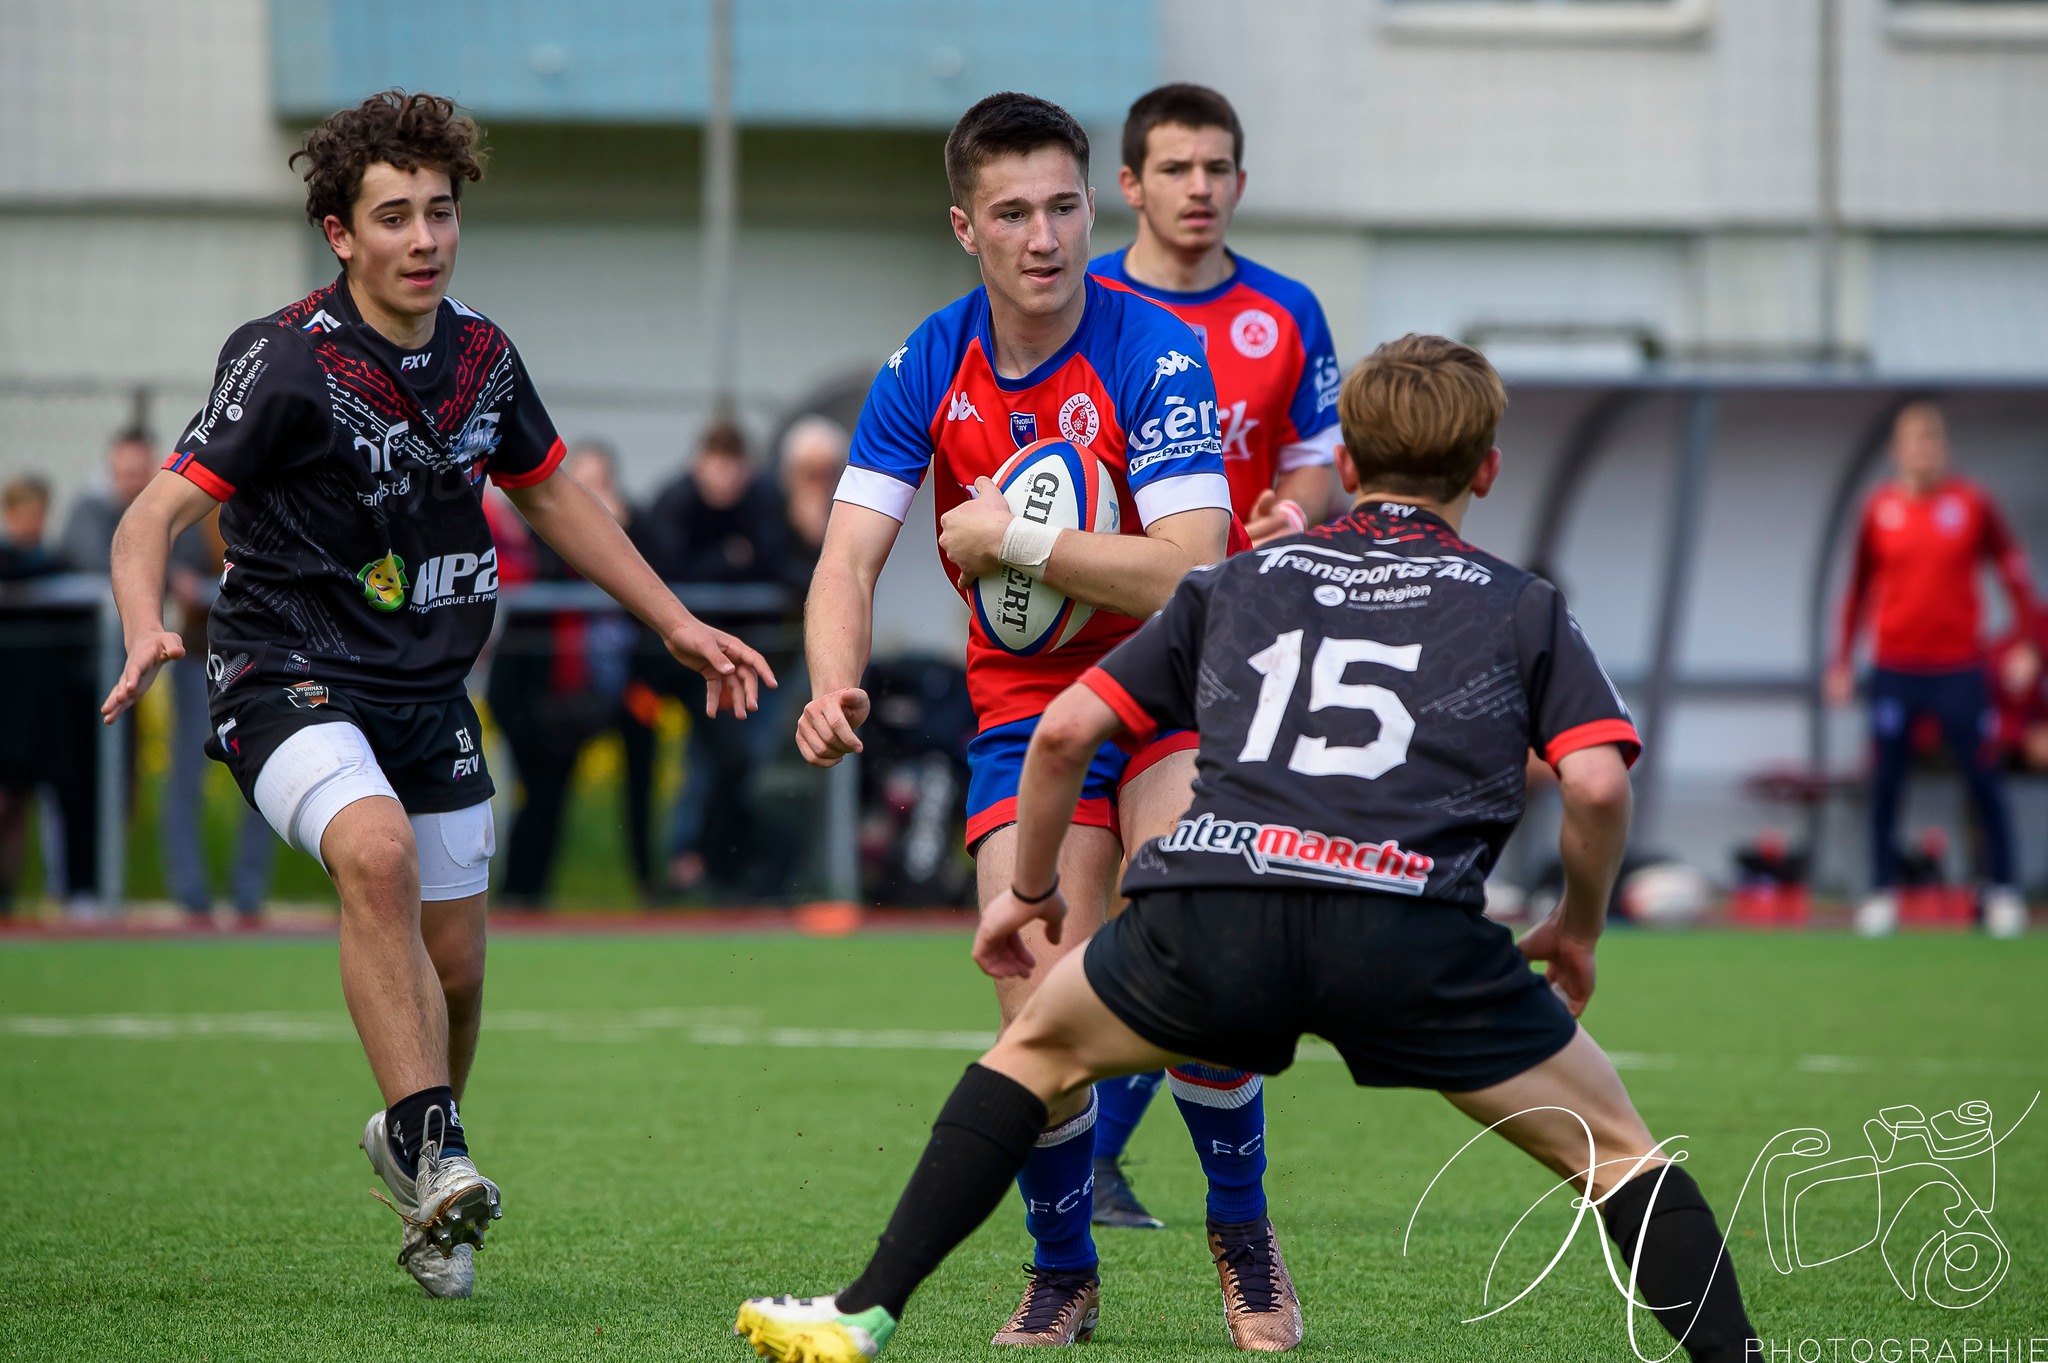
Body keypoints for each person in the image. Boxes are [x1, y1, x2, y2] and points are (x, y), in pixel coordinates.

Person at [737, 335, 1760, 1363]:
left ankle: (865, 1308)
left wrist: (1030, 891)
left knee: (1031, 1053)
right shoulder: (1519, 602)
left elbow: (1060, 735)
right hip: (1405, 926)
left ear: (1346, 468)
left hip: (1220, 907)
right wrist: (1574, 927)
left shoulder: (1240, 579)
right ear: (1486, 469)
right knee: (1620, 1156)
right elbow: (1592, 781)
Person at [99, 90, 774, 1300]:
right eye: (394, 216)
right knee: (375, 858)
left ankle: (423, 1170)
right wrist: (149, 620)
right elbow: (158, 512)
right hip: (282, 670)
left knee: (455, 969)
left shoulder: (482, 356)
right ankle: (434, 1143)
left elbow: (557, 496)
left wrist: (674, 621)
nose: (424, 238)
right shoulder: (284, 357)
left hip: (425, 688)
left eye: (441, 212)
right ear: (338, 233)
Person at [795, 91, 1303, 1349]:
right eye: (1012, 213)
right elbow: (848, 556)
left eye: (1064, 207)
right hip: (1023, 714)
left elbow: (1195, 567)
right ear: (964, 226)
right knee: (1036, 993)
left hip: (1168, 689)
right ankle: (1063, 1270)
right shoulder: (926, 361)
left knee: (1197, 947)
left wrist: (1020, 536)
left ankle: (1237, 1231)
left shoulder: (1153, 352)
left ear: (1095, 206)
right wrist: (830, 678)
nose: (1044, 237)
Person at [1084, 82, 1346, 1234]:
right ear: (1130, 185)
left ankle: (1100, 1152)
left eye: (1217, 168)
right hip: (1110, 644)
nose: (1200, 189)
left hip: (1249, 649)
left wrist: (1294, 510)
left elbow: (1311, 461)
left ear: (1240, 180)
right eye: (1176, 169)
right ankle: (1082, 1153)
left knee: (1194, 899)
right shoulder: (1074, 302)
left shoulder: (1286, 313)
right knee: (1145, 910)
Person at [1824, 401, 2036, 939]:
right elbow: (1857, 590)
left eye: (1932, 440)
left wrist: (2029, 643)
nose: (1924, 451)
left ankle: (2002, 890)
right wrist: (1843, 660)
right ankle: (1881, 892)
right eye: (1914, 441)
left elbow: (2014, 573)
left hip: (1960, 667)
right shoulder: (1879, 510)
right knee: (1888, 782)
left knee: (1983, 777)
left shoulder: (1971, 505)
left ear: (1944, 448)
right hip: (1895, 666)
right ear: (1897, 450)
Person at [488, 441, 655, 904]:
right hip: (536, 694)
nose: (594, 500)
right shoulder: (541, 541)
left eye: (602, 485)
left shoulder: (635, 535)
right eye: (584, 488)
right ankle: (521, 893)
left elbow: (658, 571)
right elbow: (540, 571)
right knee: (541, 794)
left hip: (606, 694)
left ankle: (650, 885)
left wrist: (622, 531)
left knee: (638, 771)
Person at [647, 420, 791, 896]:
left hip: (745, 658)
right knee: (709, 761)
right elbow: (665, 576)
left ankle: (720, 864)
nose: (725, 478)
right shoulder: (676, 500)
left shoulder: (762, 499)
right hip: (684, 663)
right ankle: (687, 861)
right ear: (699, 463)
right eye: (717, 464)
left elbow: (776, 561)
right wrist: (728, 561)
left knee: (744, 760)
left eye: (734, 466)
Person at [161, 507, 277, 923]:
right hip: (198, 659)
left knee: (267, 777)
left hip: (261, 663)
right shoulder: (192, 509)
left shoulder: (273, 502)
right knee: (187, 777)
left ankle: (249, 894)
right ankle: (191, 895)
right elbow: (178, 582)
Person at [57, 430, 155, 573]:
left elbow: (188, 560)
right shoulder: (90, 504)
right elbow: (92, 562)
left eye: (141, 472)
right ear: (113, 466)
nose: (135, 481)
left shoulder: (158, 505)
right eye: (130, 473)